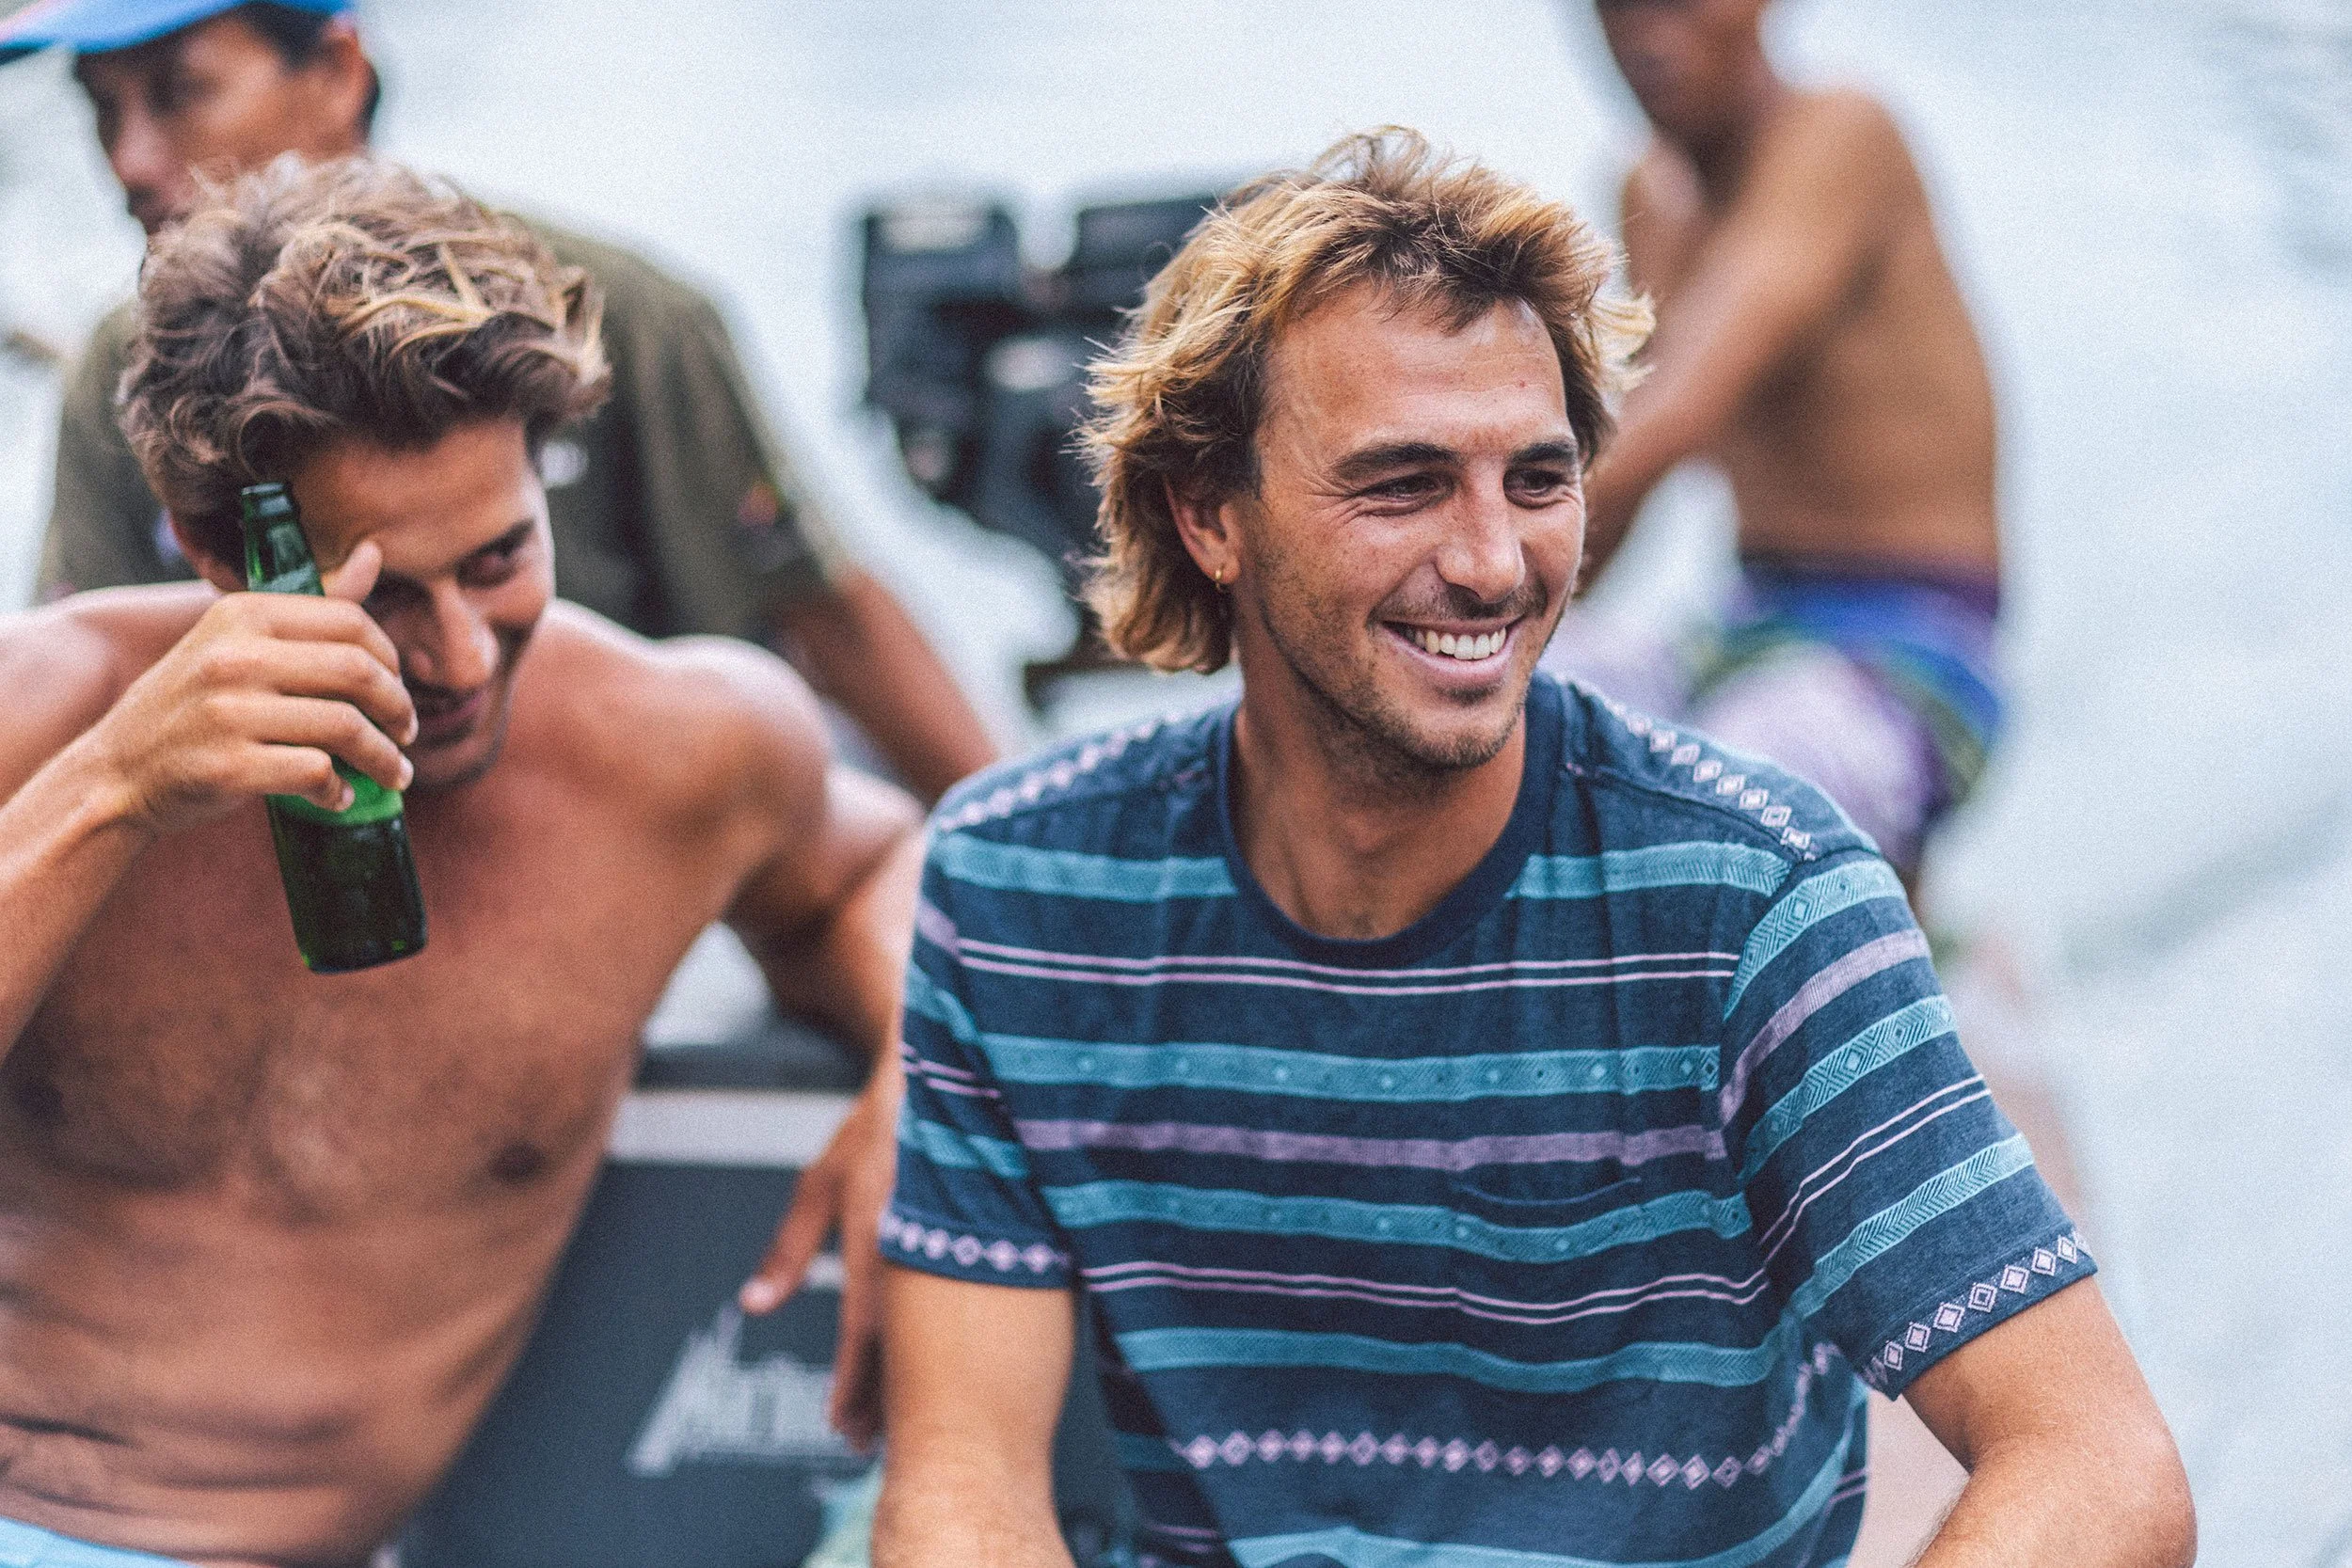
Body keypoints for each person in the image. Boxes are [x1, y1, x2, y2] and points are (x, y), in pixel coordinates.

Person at [870, 130, 2193, 1568]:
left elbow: (2100, 1464)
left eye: (1540, 478)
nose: (1496, 561)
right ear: (1208, 513)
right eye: (1403, 483)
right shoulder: (1019, 889)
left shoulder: (1761, 899)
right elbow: (963, 1486)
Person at [0, 158, 916, 1564]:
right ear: (209, 549)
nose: (460, 659)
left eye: (499, 559)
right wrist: (118, 788)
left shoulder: (685, 750)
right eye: (385, 594)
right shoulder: (43, 718)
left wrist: (922, 1067)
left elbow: (868, 866)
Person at [0, 0, 997, 803]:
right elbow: (83, 683)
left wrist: (1008, 850)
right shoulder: (116, 372)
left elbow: (820, 611)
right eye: (99, 108)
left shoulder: (616, 315)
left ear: (340, 71)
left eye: (180, 94)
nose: (128, 161)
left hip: (606, 849)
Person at [1542, 0, 2006, 880]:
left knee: (1718, 808)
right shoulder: (1650, 192)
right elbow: (1617, 482)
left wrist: (1471, 553)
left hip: (1913, 646)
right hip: (1743, 620)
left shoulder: (1842, 134)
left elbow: (1670, 418)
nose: (1646, 30)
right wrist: (1486, 654)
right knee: (1501, 719)